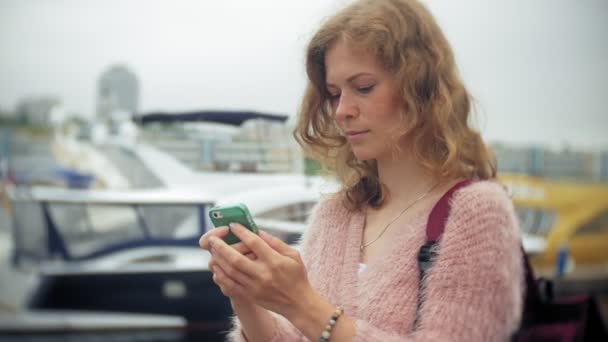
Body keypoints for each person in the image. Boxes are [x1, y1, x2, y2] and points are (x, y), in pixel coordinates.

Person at [199, 0, 523, 340]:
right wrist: (246, 295)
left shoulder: (476, 212)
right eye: (335, 93)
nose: (341, 111)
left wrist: (301, 304)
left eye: (364, 88)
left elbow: (311, 319)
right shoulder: (337, 213)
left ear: (421, 88)